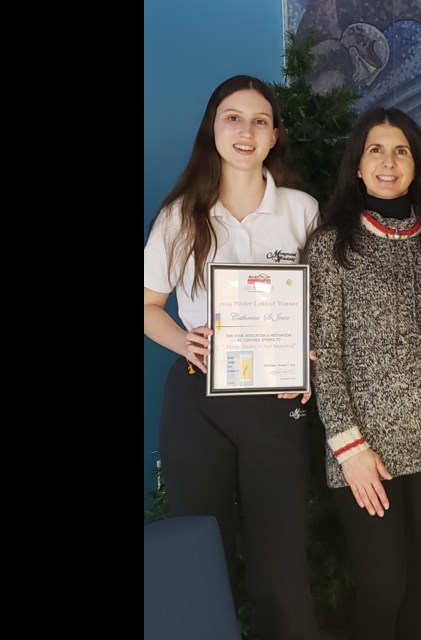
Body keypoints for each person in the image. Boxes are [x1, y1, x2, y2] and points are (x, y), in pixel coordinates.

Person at [143, 75, 318, 640]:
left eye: (259, 120)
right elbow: (147, 305)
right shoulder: (180, 215)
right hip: (199, 399)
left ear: (273, 137)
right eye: (232, 118)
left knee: (280, 556)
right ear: (212, 129)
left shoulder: (302, 211)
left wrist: (310, 358)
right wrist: (183, 341)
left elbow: (324, 303)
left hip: (276, 399)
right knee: (200, 547)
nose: (246, 131)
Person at [307, 107, 421, 640]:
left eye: (401, 150)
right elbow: (324, 353)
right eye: (375, 149)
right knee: (382, 586)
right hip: (363, 449)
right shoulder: (332, 243)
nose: (388, 161)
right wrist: (348, 448)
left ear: (416, 162)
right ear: (357, 164)